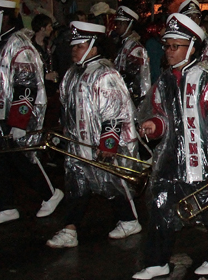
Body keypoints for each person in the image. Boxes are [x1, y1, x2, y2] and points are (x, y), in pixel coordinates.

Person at [132, 13, 208, 280]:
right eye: (167, 45)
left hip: (202, 158)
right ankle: (157, 260)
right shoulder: (164, 80)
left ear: (192, 48)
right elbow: (164, 118)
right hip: (172, 158)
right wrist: (154, 125)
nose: (169, 51)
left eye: (176, 46)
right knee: (160, 204)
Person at [46, 21, 142, 248]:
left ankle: (129, 220)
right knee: (77, 184)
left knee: (112, 182)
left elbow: (115, 112)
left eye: (79, 46)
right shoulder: (72, 73)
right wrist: (63, 130)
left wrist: (108, 144)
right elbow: (66, 105)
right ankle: (70, 229)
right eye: (73, 46)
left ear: (93, 47)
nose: (74, 50)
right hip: (78, 142)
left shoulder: (105, 74)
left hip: (100, 143)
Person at [0, 0, 63, 227]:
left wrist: (19, 121)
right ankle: (6, 206)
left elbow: (27, 85)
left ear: (3, 18)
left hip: (13, 115)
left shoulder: (19, 45)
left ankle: (50, 194)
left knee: (23, 158)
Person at [111, 6, 151, 107]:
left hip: (132, 98)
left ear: (130, 25)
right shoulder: (121, 44)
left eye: (121, 23)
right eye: (117, 23)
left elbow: (136, 78)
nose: (117, 26)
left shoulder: (135, 48)